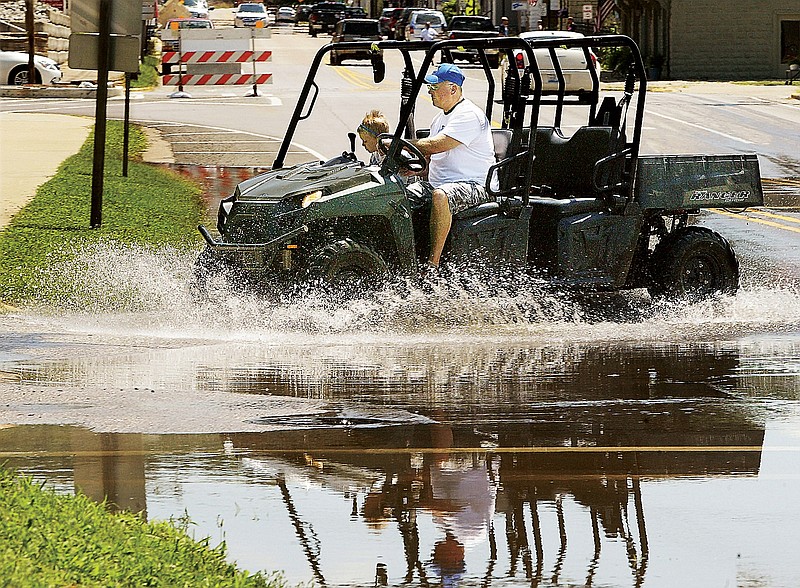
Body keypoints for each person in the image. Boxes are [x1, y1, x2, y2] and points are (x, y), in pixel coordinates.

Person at [407, 63, 496, 272]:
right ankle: (406, 258)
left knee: (441, 196)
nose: (430, 92)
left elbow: (438, 145)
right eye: (429, 88)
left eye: (434, 87)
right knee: (400, 195)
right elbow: (434, 158)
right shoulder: (439, 119)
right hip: (442, 183)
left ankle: (432, 265)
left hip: (477, 187)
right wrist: (416, 170)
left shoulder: (468, 115)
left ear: (453, 89)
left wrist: (403, 143)